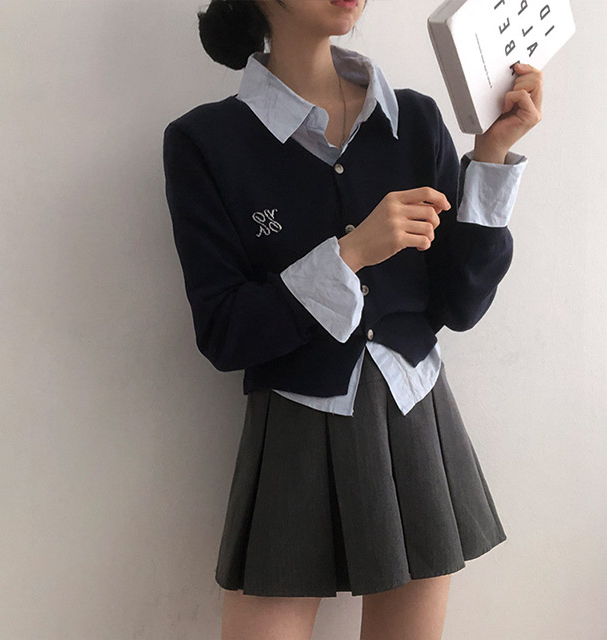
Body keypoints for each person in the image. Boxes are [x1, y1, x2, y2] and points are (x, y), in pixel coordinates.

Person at [162, 1, 544, 638]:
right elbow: (225, 332)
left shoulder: (414, 121)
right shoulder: (206, 142)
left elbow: (459, 304)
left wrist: (492, 154)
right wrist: (349, 254)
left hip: (415, 416)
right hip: (294, 427)